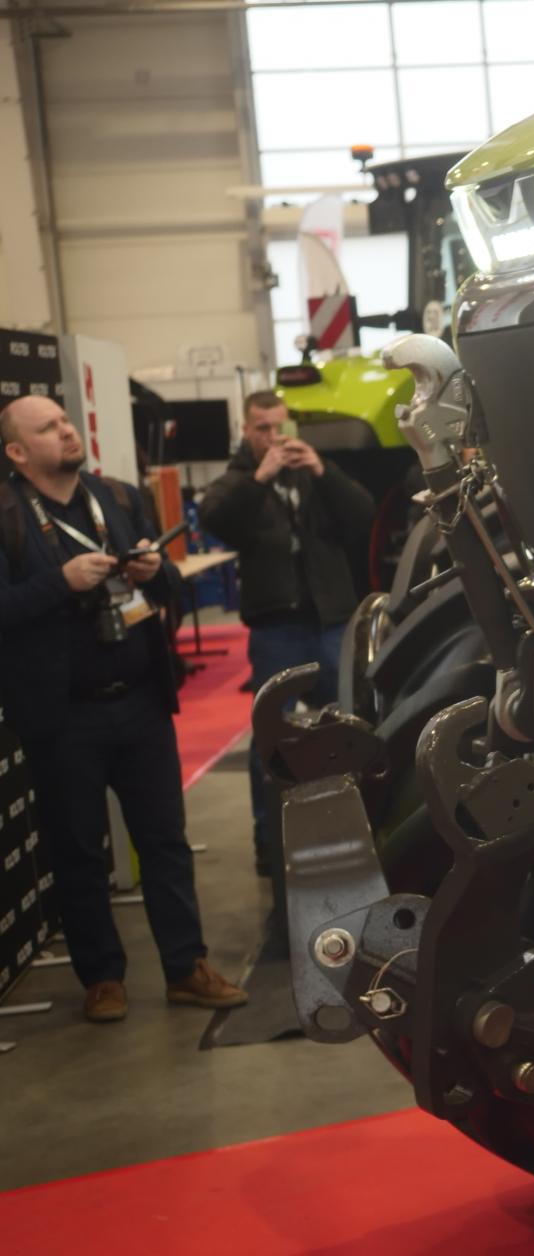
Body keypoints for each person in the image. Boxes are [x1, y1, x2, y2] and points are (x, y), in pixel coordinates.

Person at [0, 395, 247, 1023]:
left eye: (65, 420)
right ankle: (102, 979)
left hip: (140, 702)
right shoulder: (8, 516)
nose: (66, 431)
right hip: (64, 716)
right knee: (79, 852)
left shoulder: (116, 497)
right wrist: (61, 582)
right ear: (18, 452)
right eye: (48, 428)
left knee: (165, 842)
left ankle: (186, 967)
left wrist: (154, 570)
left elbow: (168, 586)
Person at [200, 392, 373, 875]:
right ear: (245, 429)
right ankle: (269, 841)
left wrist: (322, 470)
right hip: (277, 627)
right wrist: (260, 479)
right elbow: (216, 519)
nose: (274, 437)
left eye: (280, 426)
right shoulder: (238, 479)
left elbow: (362, 515)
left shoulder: (313, 471)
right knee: (270, 738)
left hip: (330, 621)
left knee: (347, 726)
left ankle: (358, 826)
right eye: (262, 428)